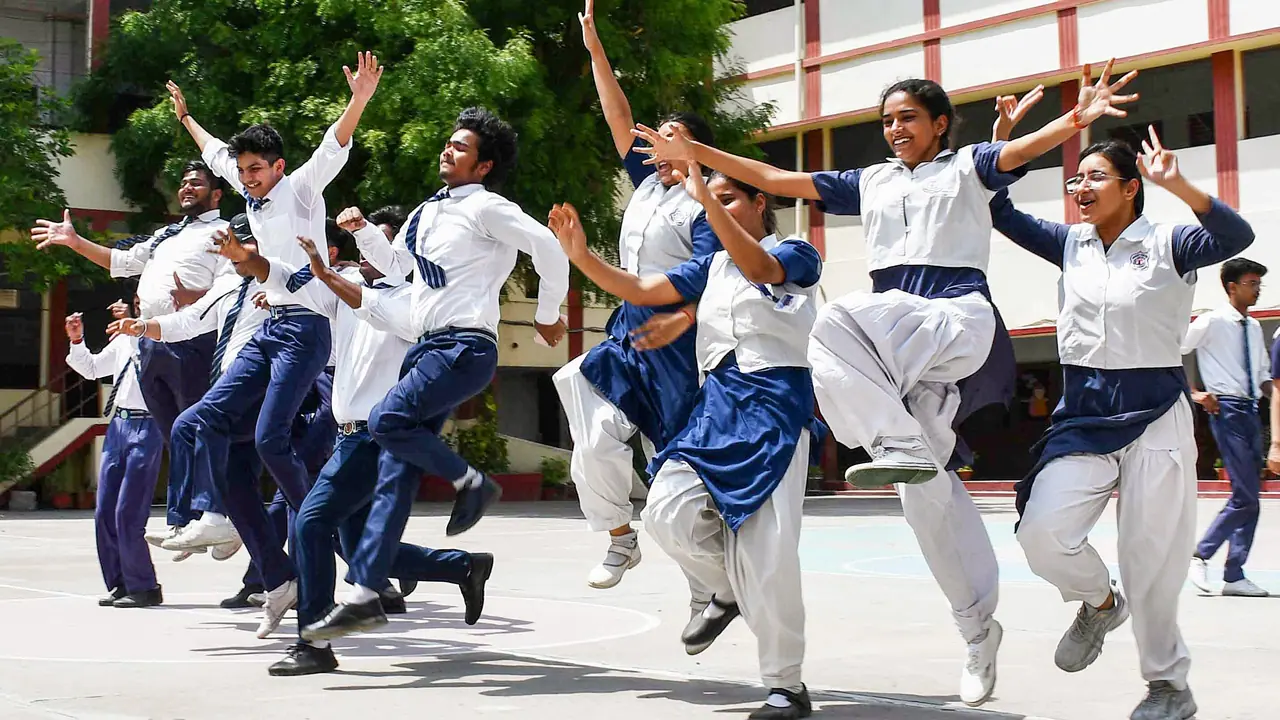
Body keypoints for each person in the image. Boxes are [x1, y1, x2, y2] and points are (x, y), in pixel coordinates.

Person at [635, 61, 1139, 706]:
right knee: (925, 498)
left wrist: (1077, 118)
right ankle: (978, 628)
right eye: (887, 121)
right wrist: (694, 152)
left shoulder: (967, 168)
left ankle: (892, 443)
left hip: (956, 320)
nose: (896, 128)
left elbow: (1019, 149)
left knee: (839, 317)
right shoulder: (868, 181)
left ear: (939, 124)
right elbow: (769, 177)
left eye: (908, 117)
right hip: (894, 350)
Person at [990, 126, 1254, 720]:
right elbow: (996, 206)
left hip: (1156, 409)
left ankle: (1167, 686)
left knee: (1151, 558)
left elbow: (1237, 235)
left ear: (1132, 187)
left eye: (1096, 176)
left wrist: (1180, 184)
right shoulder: (1068, 243)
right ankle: (1100, 602)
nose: (1080, 186)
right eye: (1076, 178)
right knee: (1041, 533)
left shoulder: (1169, 242)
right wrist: (1006, 143)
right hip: (1084, 412)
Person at [547, 163, 821, 719]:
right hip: (716, 405)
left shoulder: (796, 251)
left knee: (767, 555)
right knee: (666, 512)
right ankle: (725, 591)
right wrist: (580, 257)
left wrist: (700, 190)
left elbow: (759, 266)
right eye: (708, 202)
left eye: (727, 200)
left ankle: (786, 687)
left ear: (759, 203)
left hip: (774, 408)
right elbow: (643, 288)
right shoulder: (712, 265)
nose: (713, 210)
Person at [299, 106, 568, 639]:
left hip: (465, 346)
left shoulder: (488, 208)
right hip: (428, 350)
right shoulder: (425, 213)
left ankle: (473, 482)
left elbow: (549, 247)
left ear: (485, 166)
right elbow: (400, 271)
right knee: (395, 470)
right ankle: (365, 594)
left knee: (386, 421)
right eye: (448, 142)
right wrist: (363, 236)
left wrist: (546, 314)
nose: (447, 150)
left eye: (461, 147)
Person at [161, 51, 382, 627]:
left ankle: (316, 514)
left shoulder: (302, 189)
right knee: (194, 424)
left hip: (306, 332)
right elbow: (213, 150)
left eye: (258, 169)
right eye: (244, 171)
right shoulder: (240, 177)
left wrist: (358, 98)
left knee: (267, 440)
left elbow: (335, 144)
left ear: (278, 166)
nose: (249, 178)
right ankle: (237, 543)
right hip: (270, 326)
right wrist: (185, 116)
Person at [213, 224, 493, 674]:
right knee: (351, 540)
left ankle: (315, 644)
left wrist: (330, 279)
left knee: (312, 523)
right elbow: (288, 280)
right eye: (360, 244)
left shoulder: (417, 302)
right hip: (348, 436)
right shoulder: (347, 289)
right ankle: (461, 567)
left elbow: (384, 313)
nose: (363, 252)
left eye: (373, 243)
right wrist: (249, 259)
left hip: (380, 436)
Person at [553, 0, 723, 595]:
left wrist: (687, 313)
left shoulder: (707, 204)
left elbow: (716, 271)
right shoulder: (649, 183)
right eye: (655, 136)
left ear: (697, 150)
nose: (655, 142)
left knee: (672, 460)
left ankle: (706, 578)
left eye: (671, 136)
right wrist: (594, 46)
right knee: (592, 424)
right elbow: (617, 117)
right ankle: (619, 536)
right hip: (629, 325)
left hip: (678, 336)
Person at [31, 162, 227, 541]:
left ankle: (216, 513)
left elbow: (235, 286)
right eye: (184, 183)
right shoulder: (165, 236)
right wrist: (74, 242)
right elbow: (120, 263)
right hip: (150, 340)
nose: (186, 189)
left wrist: (197, 298)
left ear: (216, 194)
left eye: (197, 184)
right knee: (176, 435)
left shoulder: (223, 233)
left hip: (190, 340)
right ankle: (183, 520)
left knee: (199, 429)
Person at [65, 298, 164, 609]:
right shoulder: (123, 340)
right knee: (104, 511)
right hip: (119, 425)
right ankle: (120, 583)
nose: (136, 307)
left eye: (142, 303)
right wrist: (77, 340)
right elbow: (92, 369)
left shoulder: (167, 339)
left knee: (128, 512)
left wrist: (140, 330)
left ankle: (144, 586)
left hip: (149, 425)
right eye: (135, 303)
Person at [1181, 258, 1271, 597]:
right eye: (1251, 283)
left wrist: (1274, 394)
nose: (1257, 289)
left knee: (1250, 497)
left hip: (1251, 410)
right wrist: (1194, 394)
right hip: (1227, 409)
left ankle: (1234, 575)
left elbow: (1262, 376)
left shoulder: (1252, 327)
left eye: (1258, 283)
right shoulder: (1211, 321)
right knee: (1247, 495)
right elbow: (1172, 350)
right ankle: (1200, 554)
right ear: (1232, 287)